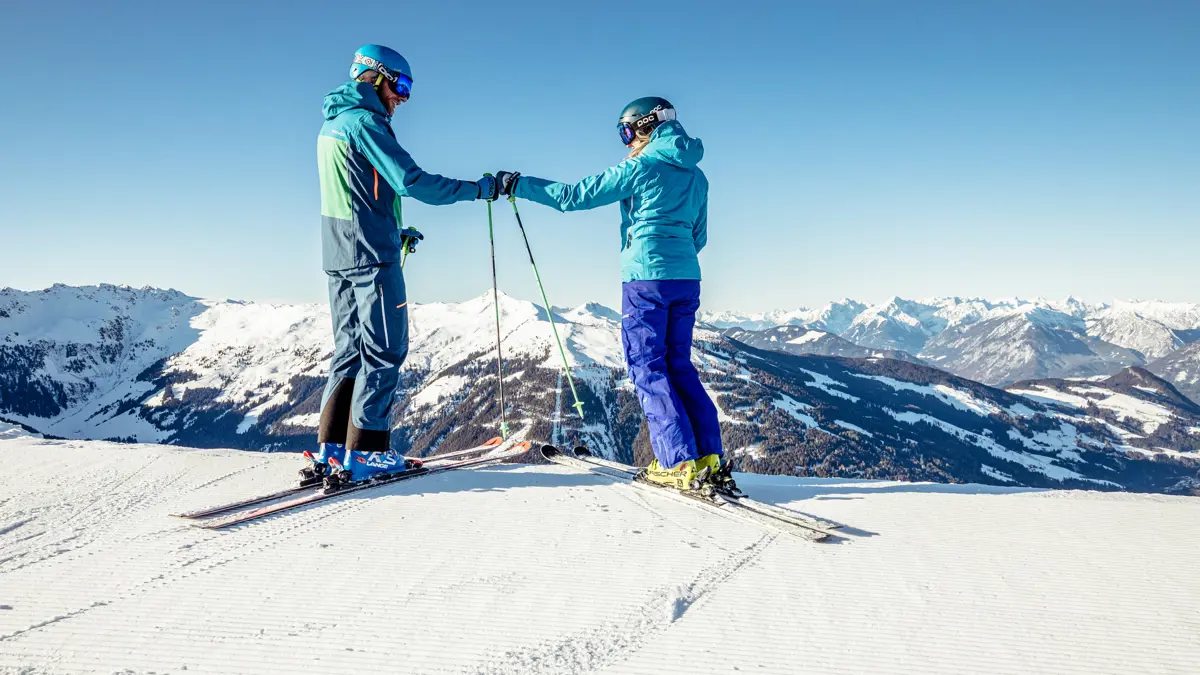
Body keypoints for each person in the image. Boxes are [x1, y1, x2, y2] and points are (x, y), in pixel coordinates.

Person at [496, 97, 730, 492]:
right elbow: (699, 236)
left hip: (646, 280)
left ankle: (677, 463)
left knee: (648, 366)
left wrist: (519, 184)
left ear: (644, 127)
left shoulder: (640, 166)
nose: (624, 141)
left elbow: (573, 197)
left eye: (625, 131)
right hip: (687, 278)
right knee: (679, 365)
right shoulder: (697, 176)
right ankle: (709, 456)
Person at [307, 45, 501, 486]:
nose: (404, 98)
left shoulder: (332, 125)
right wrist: (480, 189)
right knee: (385, 350)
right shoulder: (366, 123)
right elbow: (411, 183)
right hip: (372, 257)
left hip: (340, 254)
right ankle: (368, 452)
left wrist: (395, 231)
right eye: (401, 85)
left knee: (349, 352)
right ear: (375, 77)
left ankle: (331, 449)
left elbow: (358, 194)